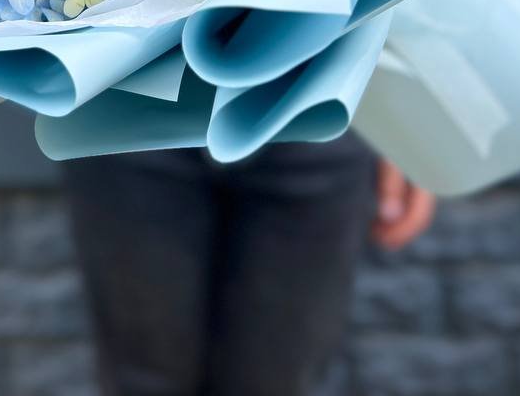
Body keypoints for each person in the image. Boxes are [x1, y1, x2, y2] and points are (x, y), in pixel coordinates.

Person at [62, 138, 434, 396]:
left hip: (321, 104)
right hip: (126, 105)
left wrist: (414, 121)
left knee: (278, 377)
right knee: (145, 375)